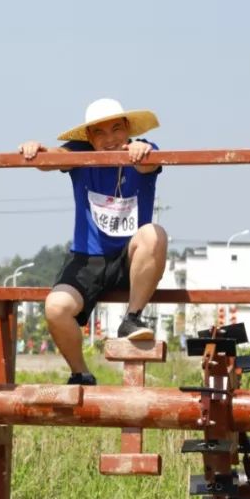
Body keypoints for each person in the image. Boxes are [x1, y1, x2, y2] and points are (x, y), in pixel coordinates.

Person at [19, 98, 166, 386]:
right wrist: (36, 150)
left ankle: (132, 318)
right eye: (100, 132)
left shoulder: (144, 149)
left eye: (116, 129)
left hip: (130, 257)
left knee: (154, 233)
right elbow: (52, 158)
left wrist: (141, 153)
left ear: (128, 129)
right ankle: (81, 373)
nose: (110, 139)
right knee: (55, 308)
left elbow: (153, 163)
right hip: (87, 258)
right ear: (89, 137)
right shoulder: (79, 154)